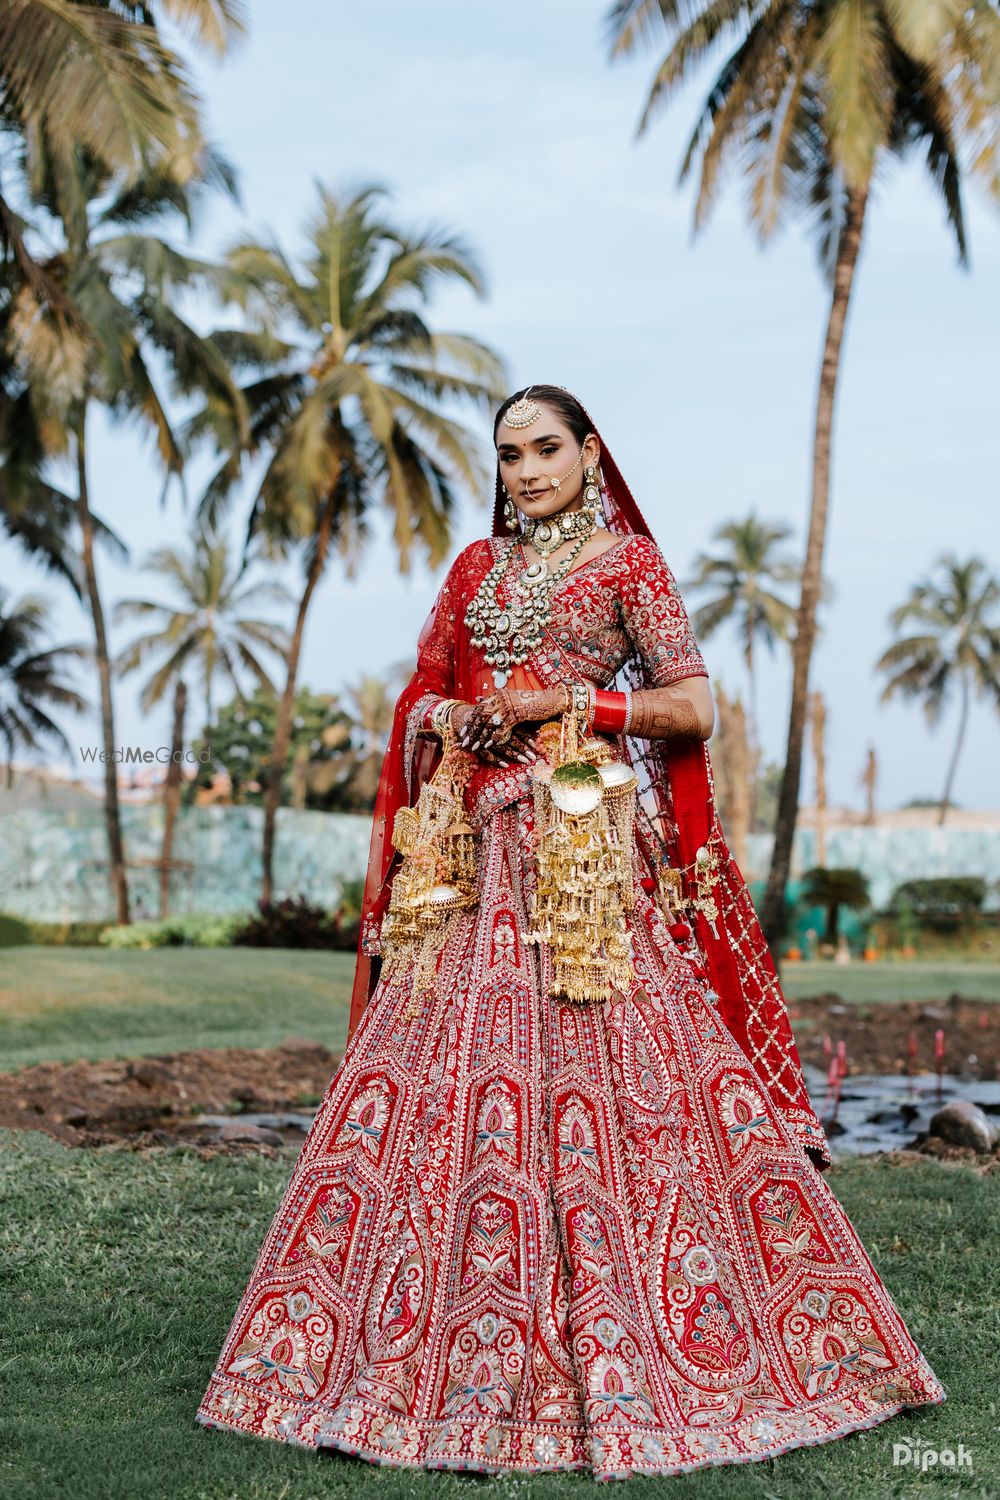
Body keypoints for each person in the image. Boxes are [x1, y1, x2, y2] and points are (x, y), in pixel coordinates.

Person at [195, 385, 945, 1479]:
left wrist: (574, 709)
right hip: (464, 865)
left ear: (590, 453)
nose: (525, 468)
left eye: (545, 447)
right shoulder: (474, 571)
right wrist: (453, 717)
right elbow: (421, 697)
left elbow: (694, 707)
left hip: (581, 859)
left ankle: (670, 1337)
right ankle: (424, 1360)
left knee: (620, 1078)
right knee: (445, 1085)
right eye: (508, 453)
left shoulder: (630, 566)